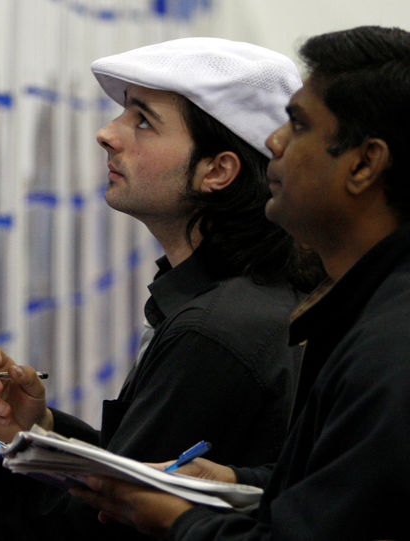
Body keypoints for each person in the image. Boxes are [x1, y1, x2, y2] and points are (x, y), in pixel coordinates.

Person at [0, 37, 323, 540]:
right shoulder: (240, 299)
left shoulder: (216, 331)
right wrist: (44, 429)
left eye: (143, 121)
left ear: (217, 170)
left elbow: (102, 526)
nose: (107, 134)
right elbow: (141, 471)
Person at [71, 25, 410, 540]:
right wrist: (237, 484)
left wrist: (176, 518)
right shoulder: (367, 312)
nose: (274, 140)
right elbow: (337, 497)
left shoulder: (389, 346)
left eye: (297, 126)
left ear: (364, 163)